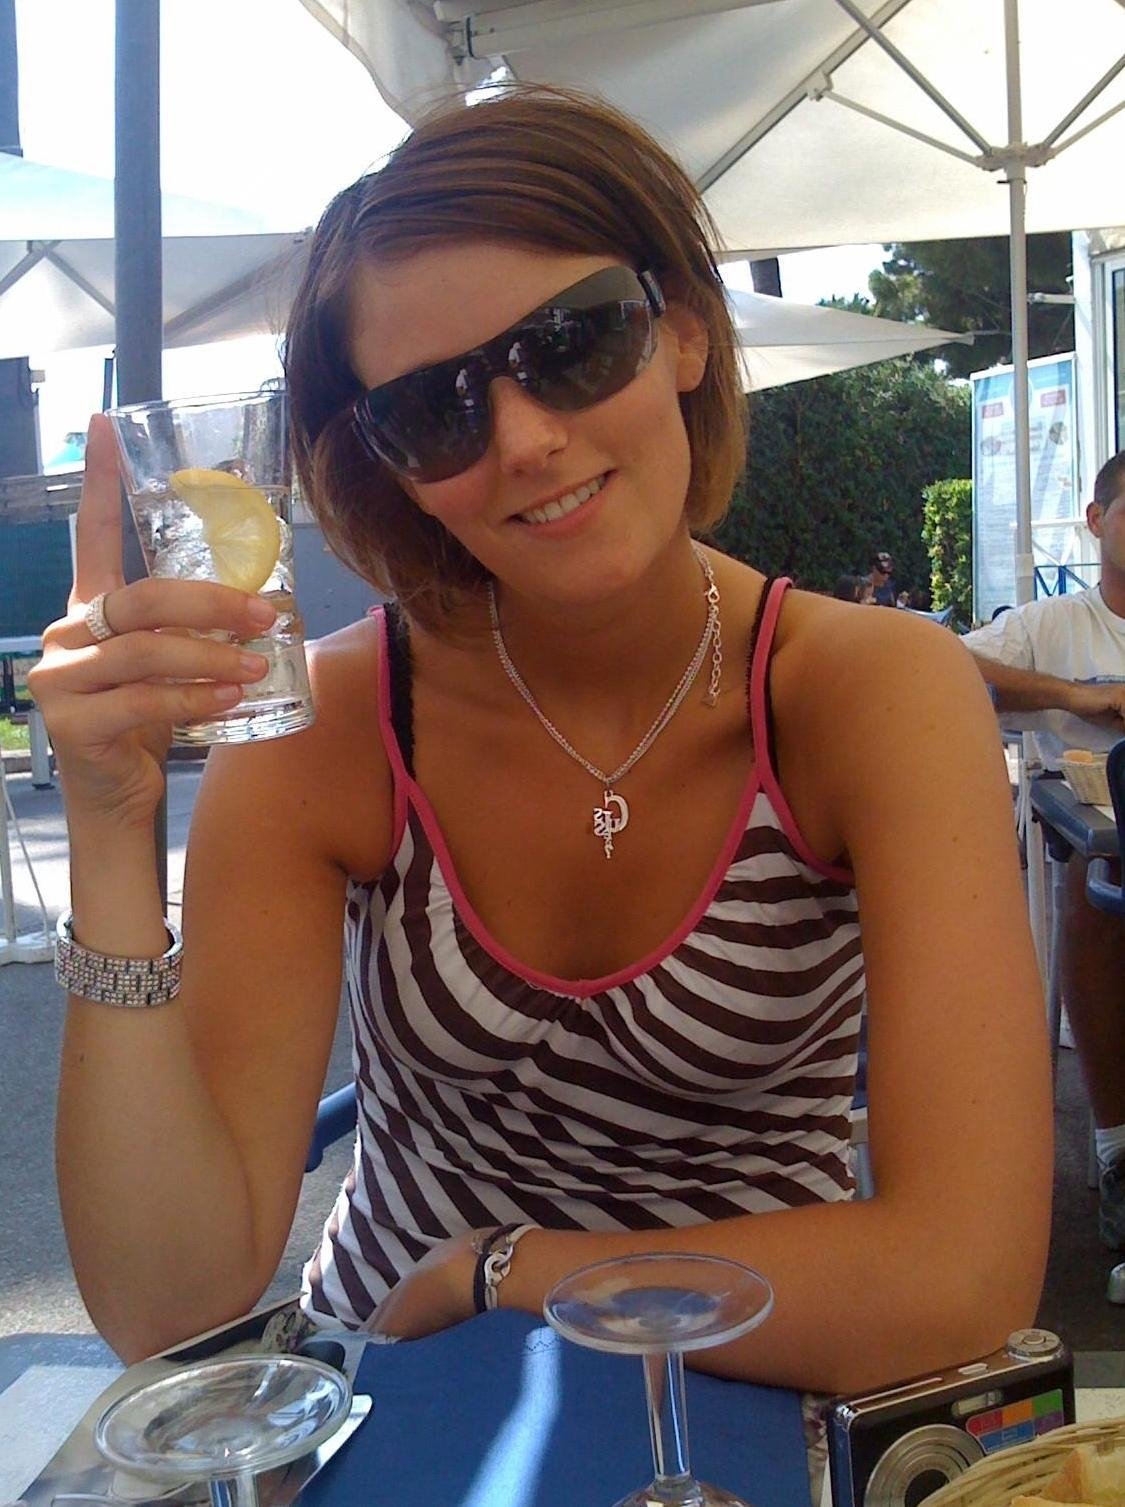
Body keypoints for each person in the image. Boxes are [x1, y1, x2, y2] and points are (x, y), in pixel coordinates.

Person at [30, 86, 1049, 1421]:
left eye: (572, 342)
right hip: (395, 1397)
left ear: (684, 329)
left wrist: (509, 1272)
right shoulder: (332, 725)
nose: (522, 440)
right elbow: (172, 1304)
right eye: (435, 410)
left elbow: (965, 1274)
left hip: (756, 1384)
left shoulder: (867, 691)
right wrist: (111, 822)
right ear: (389, 467)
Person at [963, 451, 1125, 1251]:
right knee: (1092, 870)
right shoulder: (1055, 626)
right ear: (1094, 521)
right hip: (1097, 848)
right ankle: (1117, 1147)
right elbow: (942, 666)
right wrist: (1077, 695)